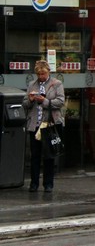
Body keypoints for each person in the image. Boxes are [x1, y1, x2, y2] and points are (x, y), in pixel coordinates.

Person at [23, 60, 64, 193]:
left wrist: (44, 101)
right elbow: (24, 104)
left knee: (48, 155)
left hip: (49, 124)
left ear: (48, 72)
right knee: (35, 155)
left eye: (43, 74)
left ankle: (48, 184)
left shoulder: (56, 84)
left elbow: (60, 101)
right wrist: (30, 99)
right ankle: (34, 184)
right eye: (39, 74)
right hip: (35, 124)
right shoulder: (31, 85)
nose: (41, 76)